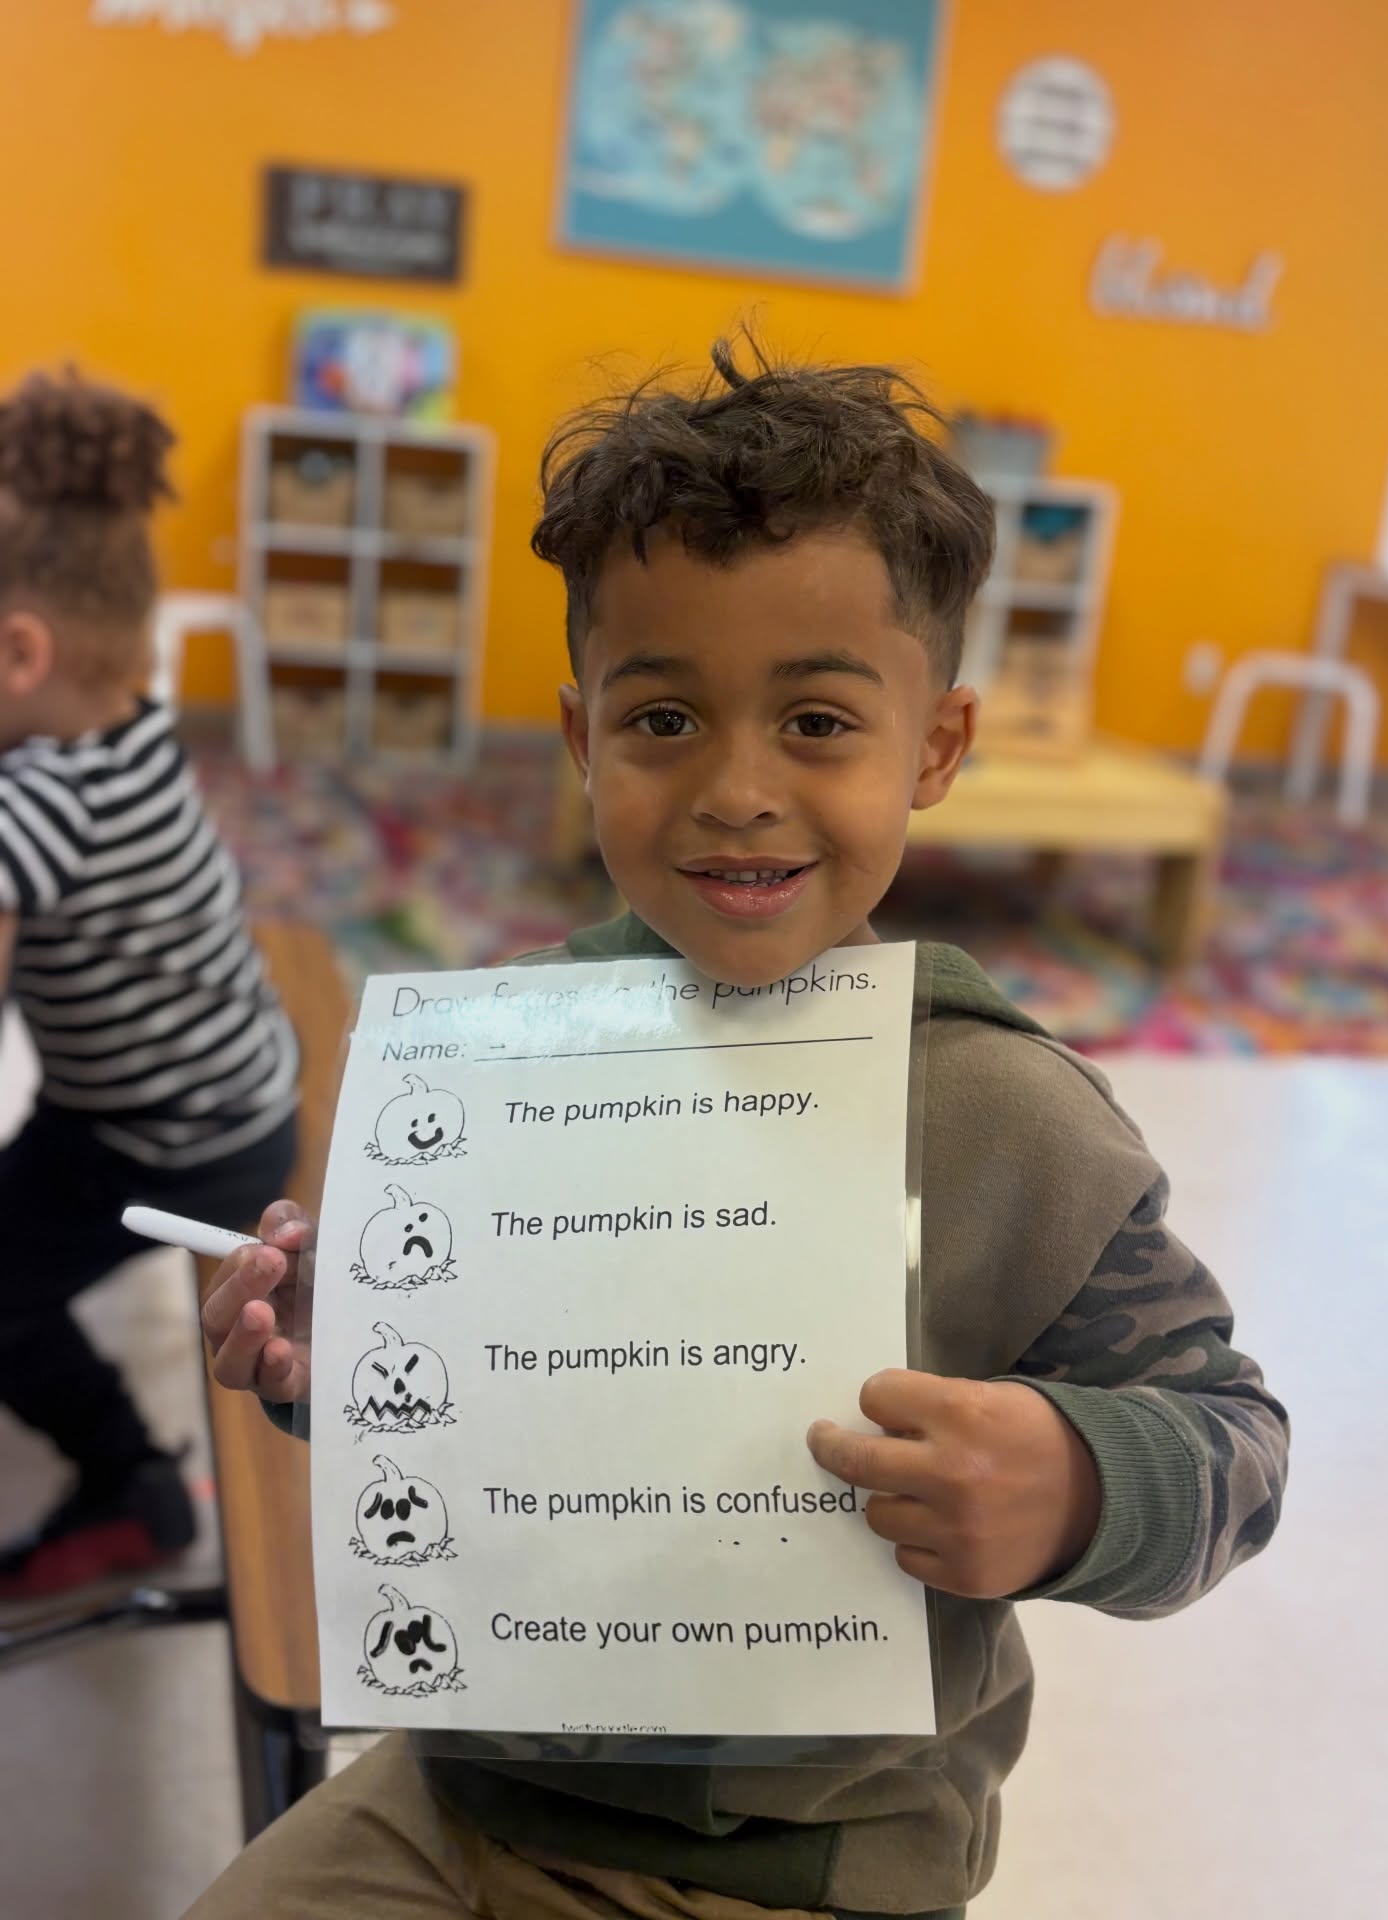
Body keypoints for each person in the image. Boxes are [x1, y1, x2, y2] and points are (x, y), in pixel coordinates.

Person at [189, 338, 1288, 1920]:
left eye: (821, 723)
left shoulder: (1009, 1118)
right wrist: (341, 1362)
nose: (736, 791)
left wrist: (1080, 1483)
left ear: (938, 746)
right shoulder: (504, 1063)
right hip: (466, 1792)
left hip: (810, 1868)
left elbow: (1237, 1445)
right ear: (580, 739)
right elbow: (475, 1421)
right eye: (663, 723)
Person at [0, 370, 298, 1599]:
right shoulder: (123, 725)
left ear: (20, 653)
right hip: (221, 1077)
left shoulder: (37, 804)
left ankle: (134, 1483)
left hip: (174, 1140)